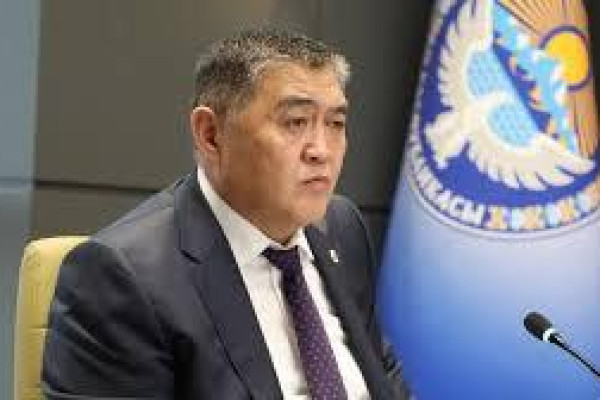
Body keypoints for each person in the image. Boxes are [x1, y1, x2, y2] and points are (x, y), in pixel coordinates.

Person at [42, 28, 409, 399]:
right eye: (296, 122)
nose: (322, 151)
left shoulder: (341, 228)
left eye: (336, 124)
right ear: (211, 135)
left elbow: (382, 378)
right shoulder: (123, 278)